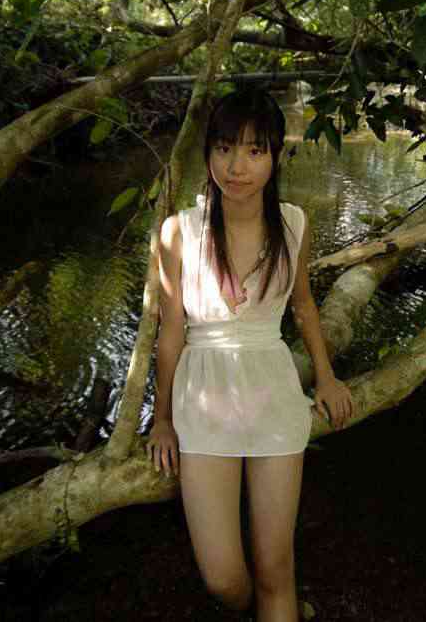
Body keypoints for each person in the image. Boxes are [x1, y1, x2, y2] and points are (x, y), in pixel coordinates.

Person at [146, 87, 354, 622]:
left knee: (275, 567)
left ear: (275, 155)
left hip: (273, 396)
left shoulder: (293, 223)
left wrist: (326, 378)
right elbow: (171, 333)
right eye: (224, 148)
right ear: (209, 152)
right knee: (223, 580)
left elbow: (303, 305)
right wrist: (162, 418)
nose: (236, 167)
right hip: (203, 401)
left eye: (254, 150)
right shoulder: (179, 232)